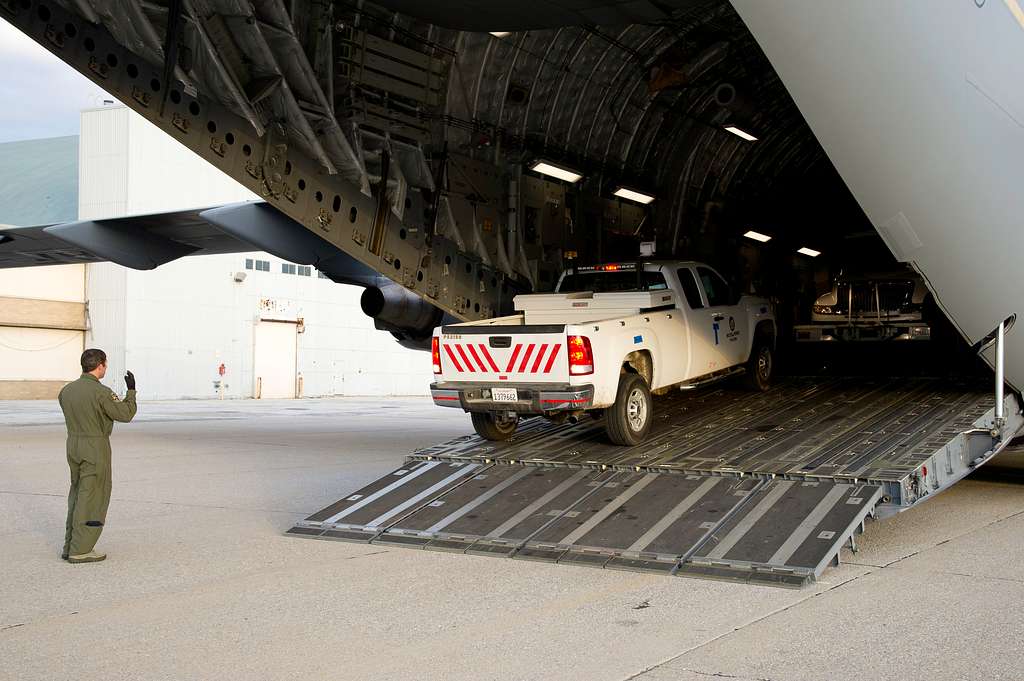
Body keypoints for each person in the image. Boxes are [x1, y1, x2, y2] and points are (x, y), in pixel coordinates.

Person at [57, 349, 137, 563]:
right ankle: (81, 549)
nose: (105, 368)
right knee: (93, 496)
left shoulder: (67, 391)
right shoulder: (101, 392)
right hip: (95, 445)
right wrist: (131, 392)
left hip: (73, 444)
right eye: (105, 365)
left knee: (77, 493)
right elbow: (125, 415)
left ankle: (70, 544)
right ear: (100, 365)